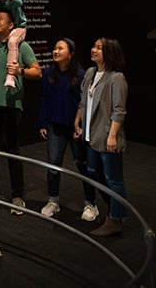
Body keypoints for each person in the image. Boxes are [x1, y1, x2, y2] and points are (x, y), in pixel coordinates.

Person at [0, 9, 42, 215]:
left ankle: (17, 195)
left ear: (12, 25)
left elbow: (37, 72)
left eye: (1, 19)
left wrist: (20, 71)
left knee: (12, 150)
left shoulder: (21, 46)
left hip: (11, 106)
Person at [38, 38, 100, 222]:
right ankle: (53, 201)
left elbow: (85, 104)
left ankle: (91, 203)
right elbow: (44, 98)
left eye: (60, 48)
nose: (55, 51)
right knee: (53, 165)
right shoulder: (48, 72)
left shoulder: (80, 75)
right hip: (54, 126)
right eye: (55, 48)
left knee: (83, 166)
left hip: (75, 129)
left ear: (71, 54)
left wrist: (80, 125)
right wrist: (42, 123)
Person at [74, 37, 130, 237]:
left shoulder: (116, 78)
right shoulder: (90, 73)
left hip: (107, 136)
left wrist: (113, 135)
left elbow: (119, 110)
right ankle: (115, 210)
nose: (94, 49)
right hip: (90, 137)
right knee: (93, 173)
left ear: (109, 52)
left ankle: (115, 219)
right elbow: (83, 101)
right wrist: (77, 122)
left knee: (113, 179)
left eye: (99, 47)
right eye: (94, 45)